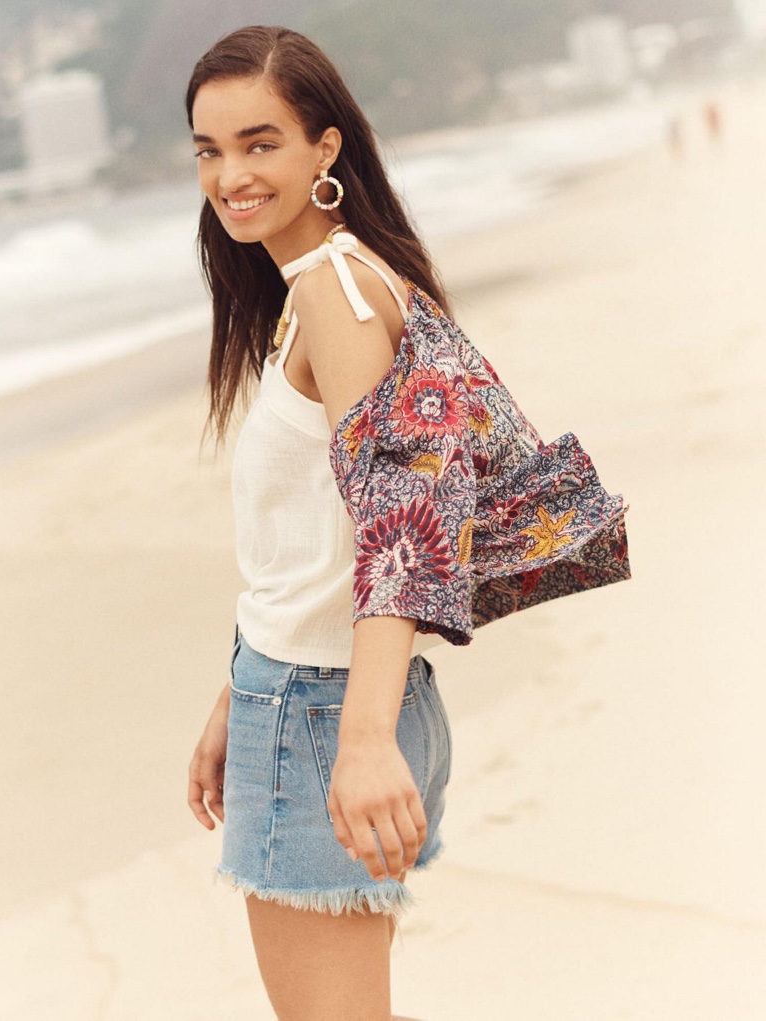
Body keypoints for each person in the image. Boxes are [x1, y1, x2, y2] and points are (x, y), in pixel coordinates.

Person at [185, 25, 630, 1021]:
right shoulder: (320, 289)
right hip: (323, 697)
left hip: (329, 713)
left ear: (324, 149)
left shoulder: (338, 296)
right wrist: (233, 693)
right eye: (209, 150)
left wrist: (358, 740)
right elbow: (313, 541)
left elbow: (400, 531)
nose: (229, 176)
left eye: (260, 143)